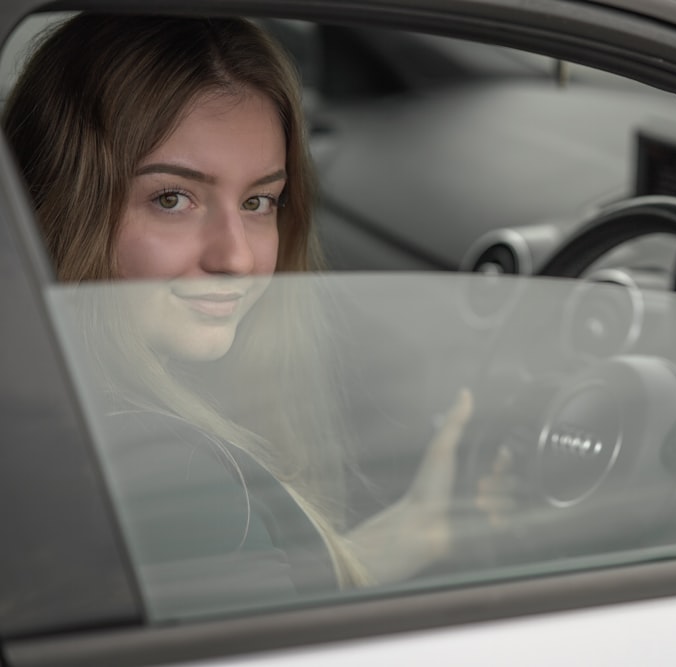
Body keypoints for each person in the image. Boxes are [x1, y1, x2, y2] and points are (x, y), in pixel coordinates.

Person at [2, 13, 477, 611]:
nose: (238, 258)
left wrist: (408, 536)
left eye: (259, 202)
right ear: (65, 203)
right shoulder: (164, 469)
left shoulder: (60, 419)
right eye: (172, 199)